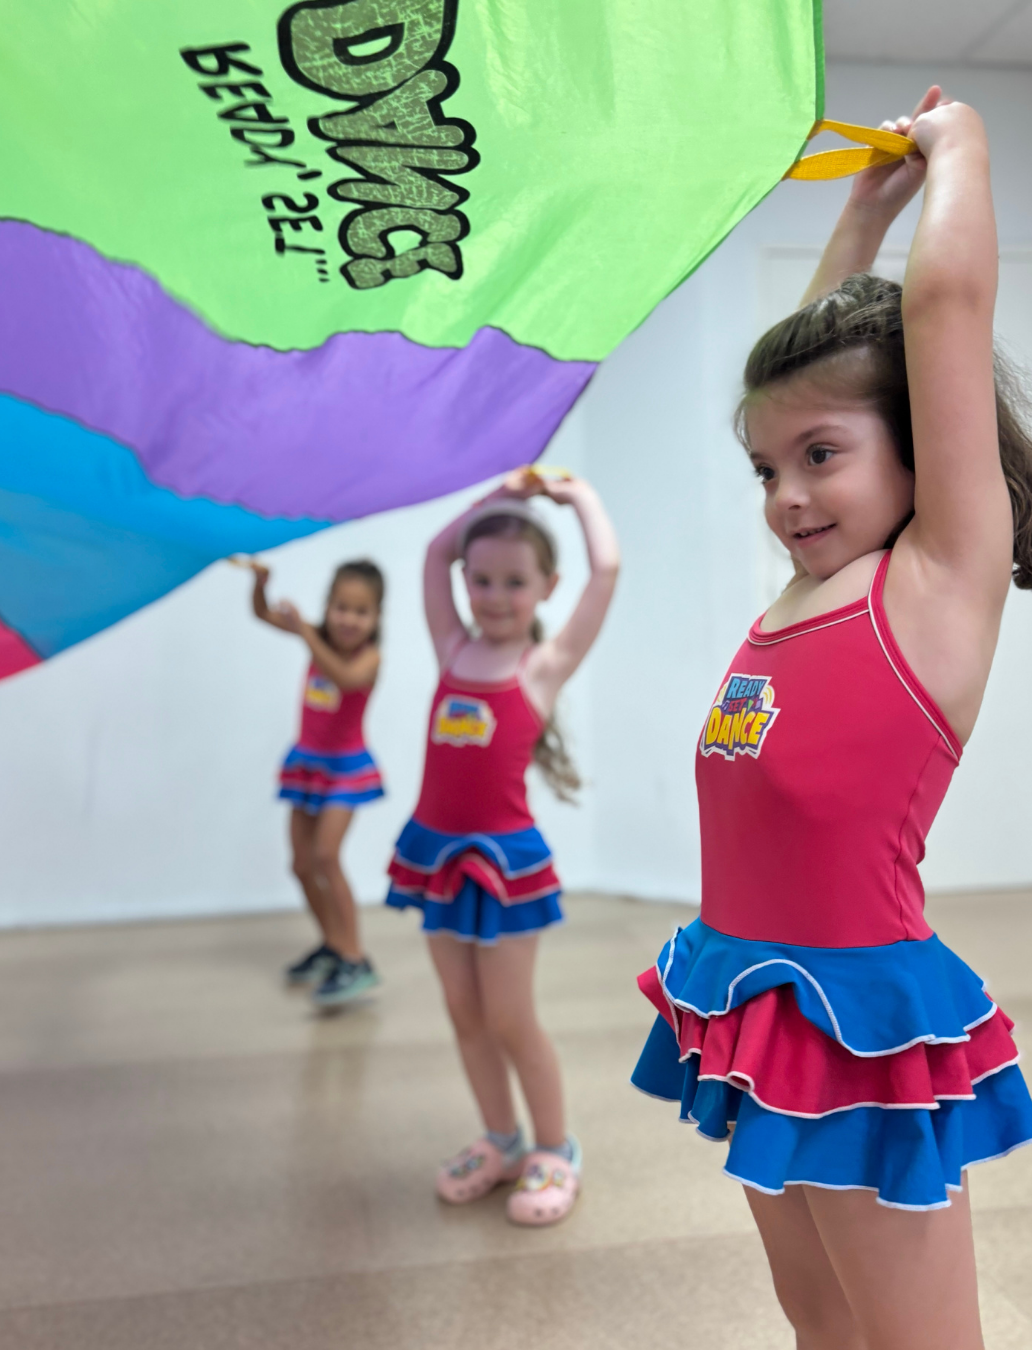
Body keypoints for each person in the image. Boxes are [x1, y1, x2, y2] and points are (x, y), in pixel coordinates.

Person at [632, 87, 1032, 1349]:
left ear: (918, 446)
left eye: (822, 458)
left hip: (857, 1026)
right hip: (759, 999)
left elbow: (943, 310)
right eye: (768, 468)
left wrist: (961, 151)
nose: (787, 496)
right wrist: (863, 211)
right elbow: (807, 379)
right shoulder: (806, 590)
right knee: (820, 1322)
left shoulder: (934, 586)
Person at [387, 468, 619, 1226]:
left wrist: (574, 498)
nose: (493, 596)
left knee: (511, 1017)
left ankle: (555, 1148)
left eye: (514, 582)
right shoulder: (451, 648)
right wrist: (496, 497)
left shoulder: (541, 669)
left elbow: (606, 570)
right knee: (463, 1012)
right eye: (481, 579)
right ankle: (500, 1138)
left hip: (504, 866)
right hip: (438, 857)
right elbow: (434, 553)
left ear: (546, 588)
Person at [252, 558, 386, 1008]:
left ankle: (356, 958)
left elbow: (344, 679)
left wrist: (307, 634)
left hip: (345, 770)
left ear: (377, 617)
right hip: (307, 766)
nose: (349, 619)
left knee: (327, 856)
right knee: (302, 865)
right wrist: (261, 585)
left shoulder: (368, 658)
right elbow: (262, 613)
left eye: (361, 612)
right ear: (328, 606)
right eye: (341, 608)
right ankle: (333, 945)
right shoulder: (317, 637)